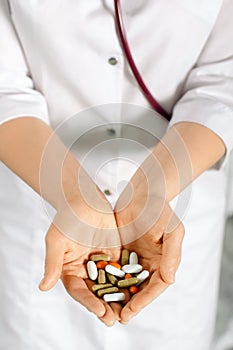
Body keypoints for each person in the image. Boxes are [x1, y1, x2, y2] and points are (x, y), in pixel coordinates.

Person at [0, 1, 233, 349]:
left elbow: (223, 85)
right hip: (37, 190)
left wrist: (153, 190)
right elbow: (5, 90)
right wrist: (72, 194)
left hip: (177, 192)